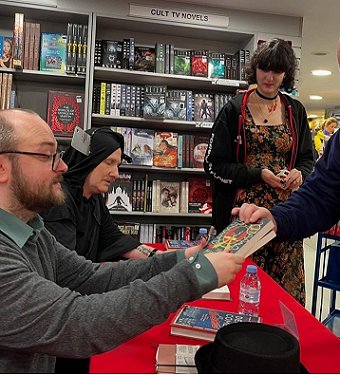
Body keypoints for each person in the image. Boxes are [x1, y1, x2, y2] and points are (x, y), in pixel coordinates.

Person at [0, 108, 244, 373]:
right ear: (2, 168)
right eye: (47, 155)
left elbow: (90, 277)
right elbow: (79, 323)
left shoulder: (33, 232)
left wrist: (181, 259)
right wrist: (193, 276)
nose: (63, 166)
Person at [204, 38, 314, 305]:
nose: (269, 77)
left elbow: (309, 159)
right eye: (264, 69)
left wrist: (299, 173)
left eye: (277, 70)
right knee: (243, 288)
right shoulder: (234, 110)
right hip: (243, 218)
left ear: (286, 74)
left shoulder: (295, 110)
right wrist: (257, 174)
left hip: (284, 218)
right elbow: (213, 165)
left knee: (285, 295)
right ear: (255, 69)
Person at [41, 127, 159, 263]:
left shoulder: (93, 196)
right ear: (88, 160)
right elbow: (66, 269)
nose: (116, 174)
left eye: (117, 165)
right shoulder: (59, 199)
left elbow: (114, 239)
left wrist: (161, 257)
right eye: (109, 163)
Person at [232, 127, 340, 244]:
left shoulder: (295, 113)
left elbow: (306, 159)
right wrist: (276, 219)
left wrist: (301, 173)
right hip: (268, 213)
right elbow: (320, 196)